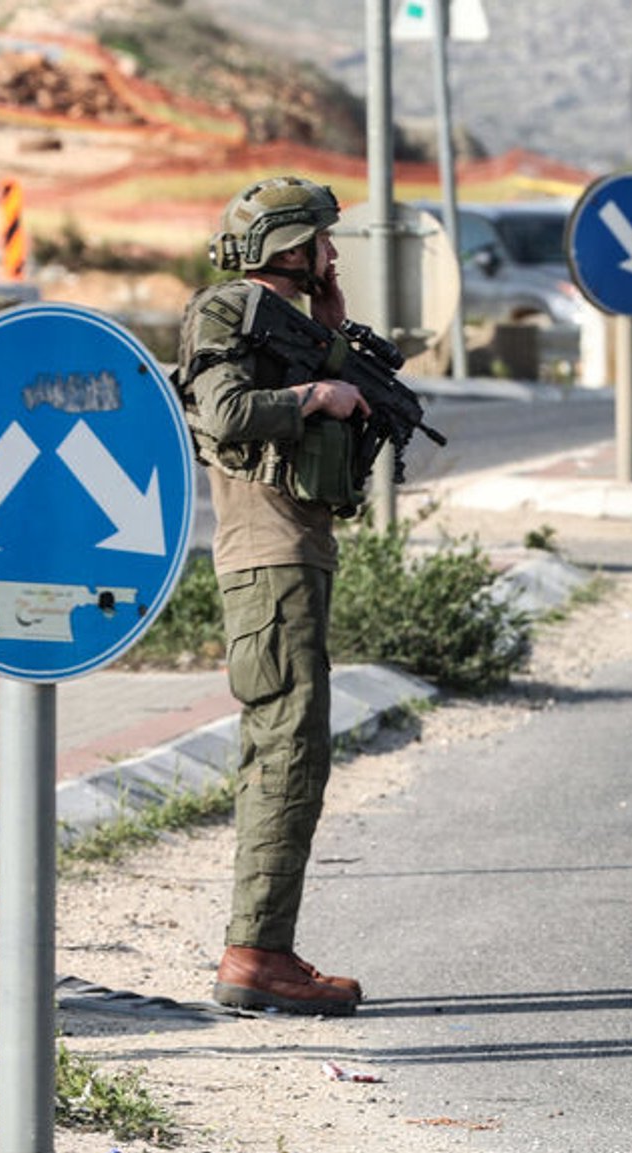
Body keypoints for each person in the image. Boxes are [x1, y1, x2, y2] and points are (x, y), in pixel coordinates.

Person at [172, 176, 373, 1016]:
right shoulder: (226, 310)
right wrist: (313, 396)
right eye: (321, 242)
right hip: (267, 556)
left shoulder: (290, 322)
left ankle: (264, 945)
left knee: (295, 746)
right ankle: (258, 953)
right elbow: (222, 413)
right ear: (285, 247)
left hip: (292, 552)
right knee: (288, 747)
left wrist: (326, 334)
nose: (332, 253)